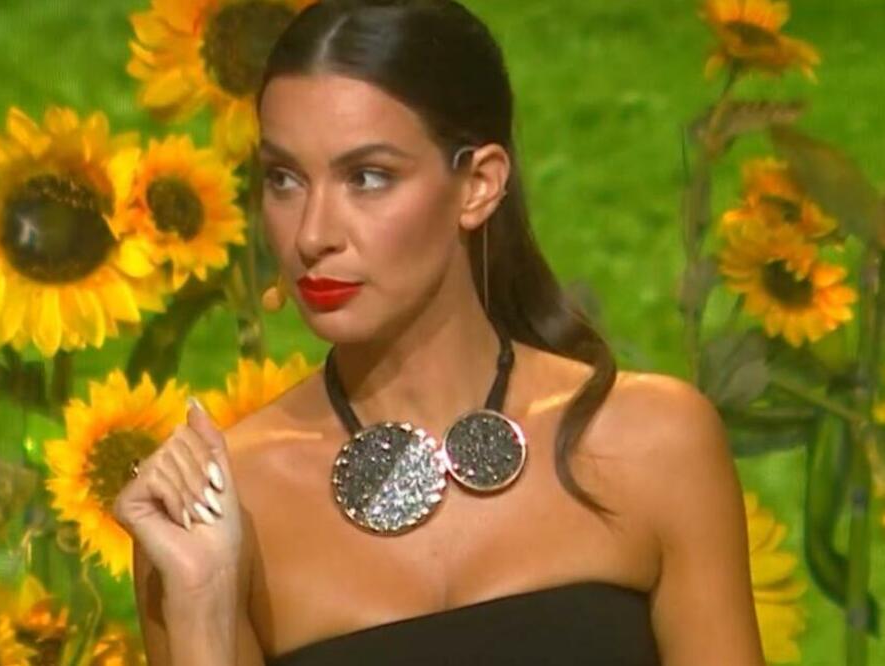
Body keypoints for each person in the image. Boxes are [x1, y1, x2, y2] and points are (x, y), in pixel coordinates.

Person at [112, 1, 766, 664]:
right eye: (284, 179)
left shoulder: (652, 446)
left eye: (367, 177)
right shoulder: (222, 511)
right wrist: (203, 607)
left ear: (478, 185)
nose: (312, 234)